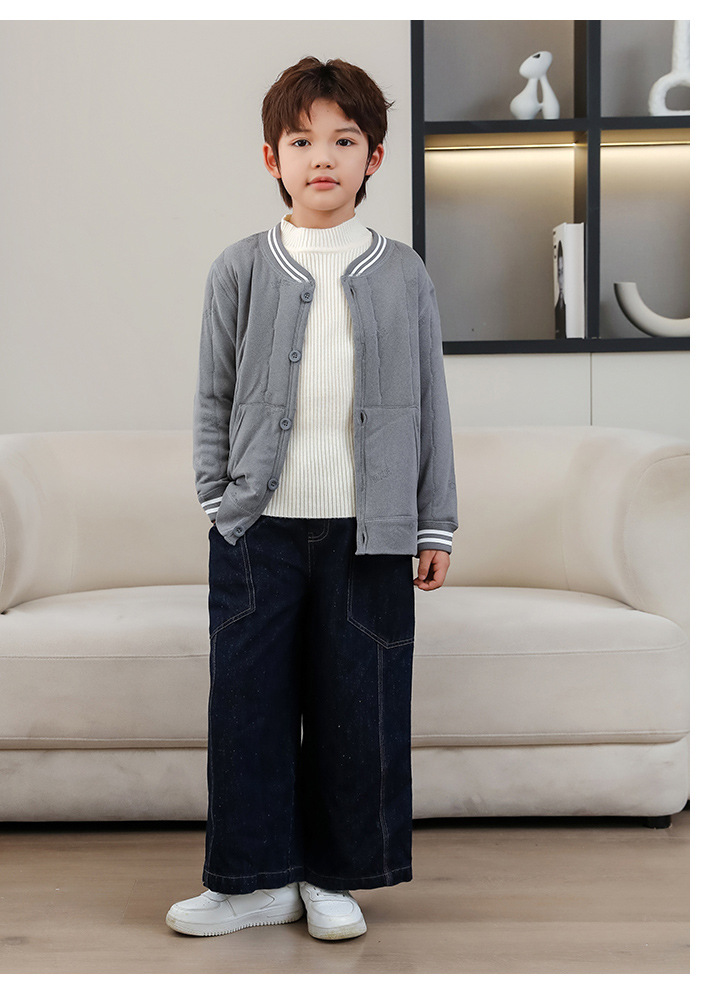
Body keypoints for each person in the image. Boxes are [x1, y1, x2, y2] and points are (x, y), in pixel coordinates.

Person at [166, 56, 458, 942]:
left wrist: (434, 522)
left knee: (357, 707)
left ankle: (333, 877)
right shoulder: (240, 268)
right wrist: (218, 499)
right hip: (257, 529)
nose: (322, 157)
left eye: (344, 140)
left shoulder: (403, 273)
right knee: (247, 706)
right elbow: (213, 393)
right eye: (301, 141)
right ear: (272, 159)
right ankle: (249, 882)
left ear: (374, 158)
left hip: (372, 534)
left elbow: (431, 401)